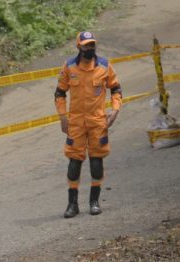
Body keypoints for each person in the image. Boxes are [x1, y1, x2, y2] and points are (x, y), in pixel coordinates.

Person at [54, 31, 122, 218]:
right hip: (75, 123)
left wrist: (115, 110)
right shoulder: (69, 67)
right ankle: (72, 204)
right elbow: (59, 93)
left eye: (92, 44)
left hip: (98, 122)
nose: (90, 48)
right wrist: (62, 117)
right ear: (79, 47)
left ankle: (94, 202)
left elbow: (116, 89)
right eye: (86, 45)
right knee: (74, 161)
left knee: (96, 161)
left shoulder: (104, 66)